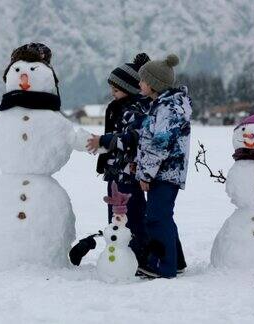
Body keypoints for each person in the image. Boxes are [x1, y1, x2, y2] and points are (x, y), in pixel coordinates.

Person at [86, 53, 151, 266]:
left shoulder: (133, 110)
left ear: (131, 88)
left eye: (116, 90)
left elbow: (133, 139)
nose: (112, 94)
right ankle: (119, 254)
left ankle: (136, 256)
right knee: (117, 214)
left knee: (129, 215)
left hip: (127, 174)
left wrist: (104, 141)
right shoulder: (121, 108)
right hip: (117, 172)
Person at [135, 54, 192, 279]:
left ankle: (163, 266)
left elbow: (160, 144)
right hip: (165, 171)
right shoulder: (162, 104)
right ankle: (175, 261)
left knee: (157, 217)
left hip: (165, 172)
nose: (139, 84)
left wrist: (146, 174)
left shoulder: (167, 107)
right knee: (162, 215)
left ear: (154, 83)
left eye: (143, 80)